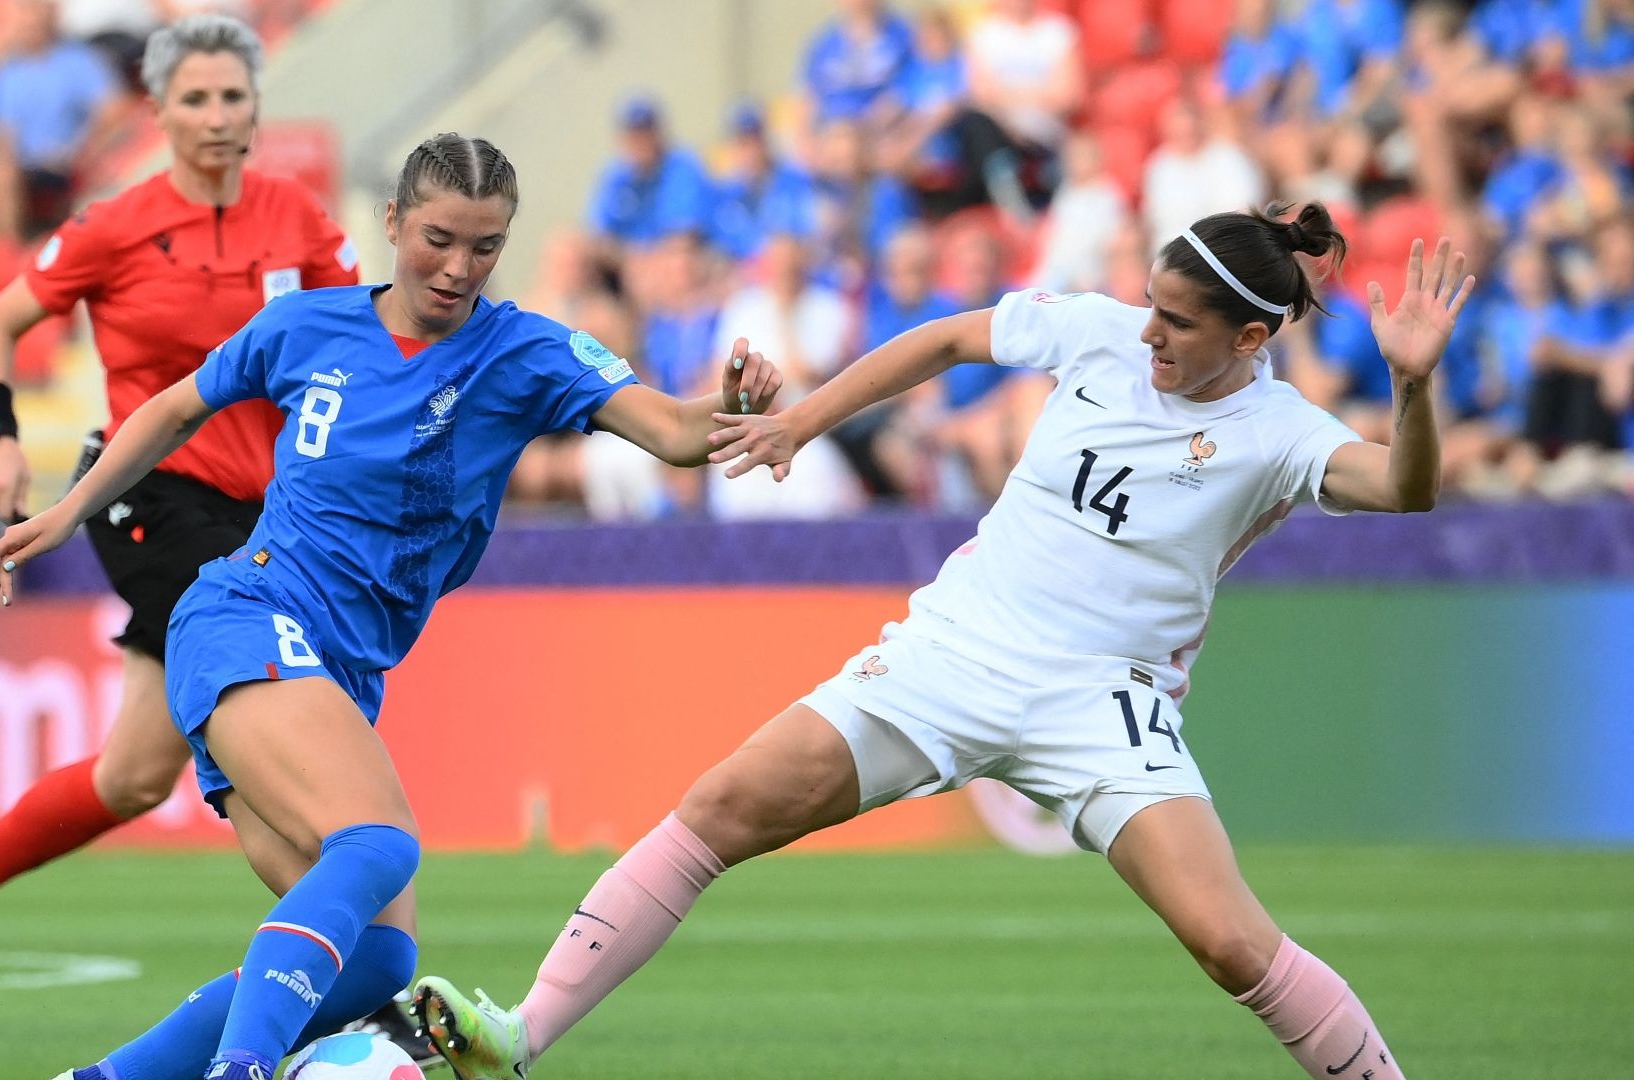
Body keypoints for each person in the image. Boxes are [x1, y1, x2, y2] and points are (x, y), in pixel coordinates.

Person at [413, 204, 1474, 1080]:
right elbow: (947, 338)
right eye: (1150, 306)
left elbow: (1406, 487)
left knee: (1231, 942)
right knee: (720, 809)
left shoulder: (1280, 431)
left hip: (1102, 704)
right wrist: (805, 419)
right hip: (953, 652)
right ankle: (519, 1036)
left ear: (1251, 339)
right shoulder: (1100, 333)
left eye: (1179, 324)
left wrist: (1414, 387)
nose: (1149, 334)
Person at [0, 132, 783, 1080]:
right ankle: (246, 1072)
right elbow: (175, 408)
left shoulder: (524, 351)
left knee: (378, 961)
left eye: (485, 246)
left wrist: (726, 396)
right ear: (391, 221)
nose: (458, 267)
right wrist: (68, 512)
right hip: (244, 616)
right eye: (438, 238)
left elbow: (678, 432)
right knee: (379, 841)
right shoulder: (304, 326)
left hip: (339, 672)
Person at [0, 13, 362, 1027]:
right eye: (196, 98)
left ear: (257, 103)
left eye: (234, 96)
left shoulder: (301, 223)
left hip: (258, 508)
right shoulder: (116, 223)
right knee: (256, 721)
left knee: (138, 774)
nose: (218, 116)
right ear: (159, 109)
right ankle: (358, 961)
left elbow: (357, 354)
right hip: (147, 496)